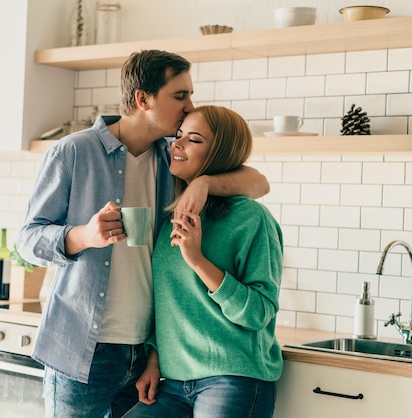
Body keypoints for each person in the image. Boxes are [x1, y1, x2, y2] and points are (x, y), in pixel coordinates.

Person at [16, 50, 270, 418]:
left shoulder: (172, 160)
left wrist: (205, 184)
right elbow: (28, 240)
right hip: (82, 347)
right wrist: (84, 235)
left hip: (146, 353)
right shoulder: (74, 152)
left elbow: (258, 183)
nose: (189, 106)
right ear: (142, 99)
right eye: (180, 96)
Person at [123, 106, 283, 418]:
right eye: (178, 136)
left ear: (219, 153)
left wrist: (197, 261)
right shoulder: (172, 215)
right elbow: (169, 302)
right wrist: (155, 360)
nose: (177, 145)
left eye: (193, 140)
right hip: (174, 381)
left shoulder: (251, 219)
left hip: (232, 377)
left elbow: (259, 313)